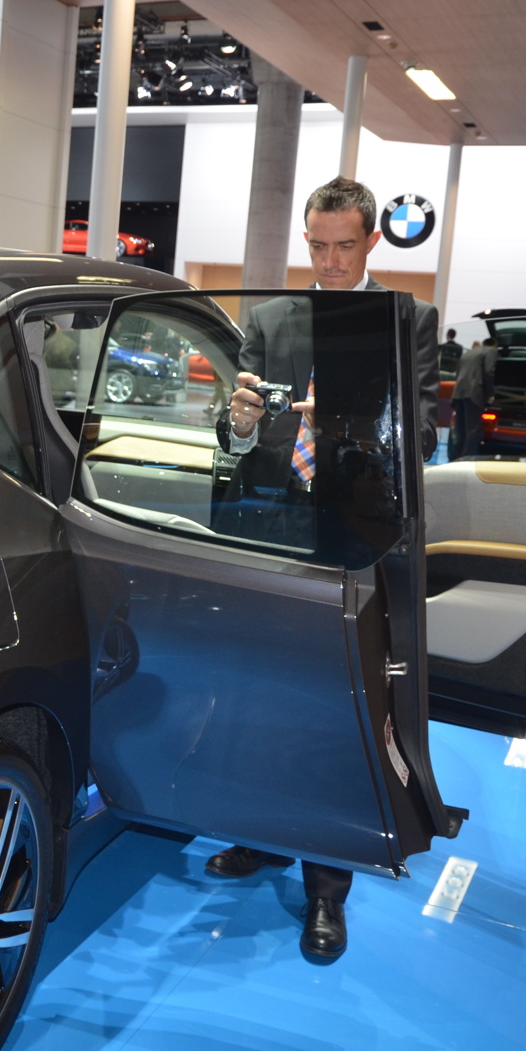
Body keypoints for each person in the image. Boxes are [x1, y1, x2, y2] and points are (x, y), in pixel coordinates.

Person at [207, 175, 441, 962]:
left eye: (344, 246)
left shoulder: (407, 320)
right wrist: (240, 423)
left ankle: (326, 885)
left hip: (356, 532)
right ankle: (263, 832)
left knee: (336, 708)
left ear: (372, 240)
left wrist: (340, 423)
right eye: (317, 245)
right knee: (261, 693)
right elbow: (234, 439)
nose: (330, 260)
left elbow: (421, 437)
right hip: (271, 528)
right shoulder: (271, 318)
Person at [451, 334, 496, 460]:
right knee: (473, 429)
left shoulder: (469, 353)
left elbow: (458, 373)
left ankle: (457, 458)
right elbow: (488, 372)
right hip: (474, 393)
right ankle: (467, 458)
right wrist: (490, 393)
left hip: (459, 393)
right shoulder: (491, 351)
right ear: (494, 345)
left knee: (461, 429)